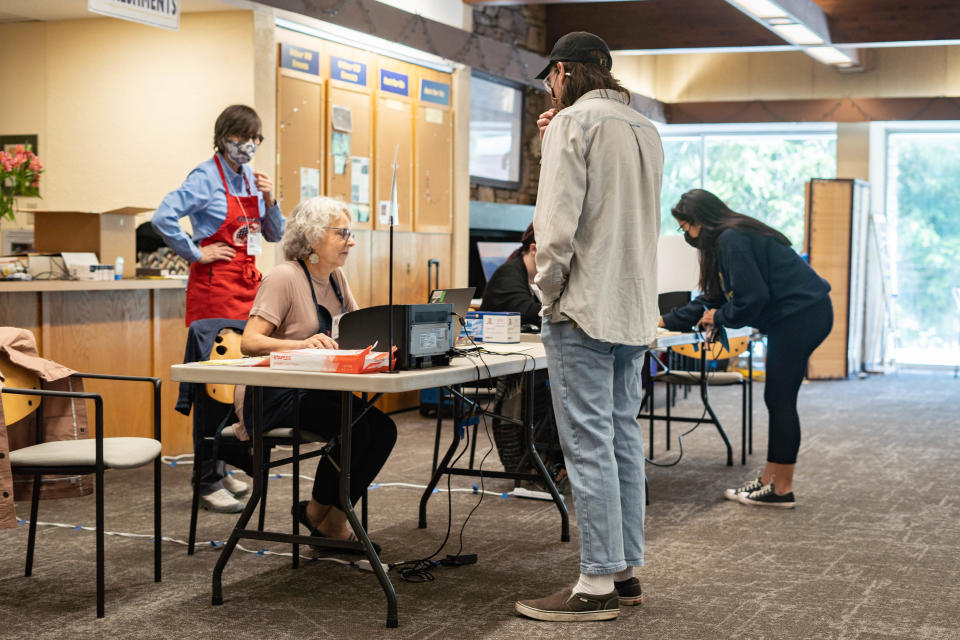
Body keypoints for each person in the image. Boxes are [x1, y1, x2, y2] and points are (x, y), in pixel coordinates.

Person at [514, 31, 663, 622]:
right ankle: (624, 571)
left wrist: (546, 295)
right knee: (622, 438)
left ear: (565, 73)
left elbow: (554, 230)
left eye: (551, 77)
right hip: (631, 308)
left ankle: (596, 582)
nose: (550, 88)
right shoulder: (646, 128)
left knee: (588, 444)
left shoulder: (571, 125)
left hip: (581, 307)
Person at [660, 189, 833, 509]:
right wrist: (665, 320)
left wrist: (720, 317)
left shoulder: (732, 240)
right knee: (777, 398)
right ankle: (770, 479)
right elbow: (713, 298)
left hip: (801, 316)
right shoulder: (727, 240)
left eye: (685, 227)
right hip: (800, 315)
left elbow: (750, 300)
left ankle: (781, 489)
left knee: (780, 400)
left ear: (700, 221)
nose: (686, 235)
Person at [241, 196, 397, 549]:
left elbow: (356, 331)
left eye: (350, 233)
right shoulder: (284, 277)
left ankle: (319, 515)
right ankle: (330, 524)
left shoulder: (337, 278)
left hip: (321, 389)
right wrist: (302, 345)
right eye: (342, 233)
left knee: (381, 430)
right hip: (278, 393)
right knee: (355, 430)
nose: (351, 241)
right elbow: (249, 342)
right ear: (312, 238)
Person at [152, 104, 285, 512]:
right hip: (214, 292)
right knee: (212, 389)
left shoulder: (250, 179)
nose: (248, 146)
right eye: (241, 137)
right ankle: (205, 478)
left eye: (255, 138)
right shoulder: (204, 177)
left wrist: (271, 198)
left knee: (238, 385)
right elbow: (163, 218)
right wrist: (196, 252)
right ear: (223, 136)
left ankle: (222, 465)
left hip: (248, 288)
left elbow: (274, 233)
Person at [480, 224, 566, 490]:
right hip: (500, 364)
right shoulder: (509, 275)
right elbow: (531, 313)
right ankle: (539, 460)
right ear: (533, 250)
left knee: (560, 388)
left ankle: (550, 459)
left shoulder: (525, 277)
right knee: (553, 391)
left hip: (523, 359)